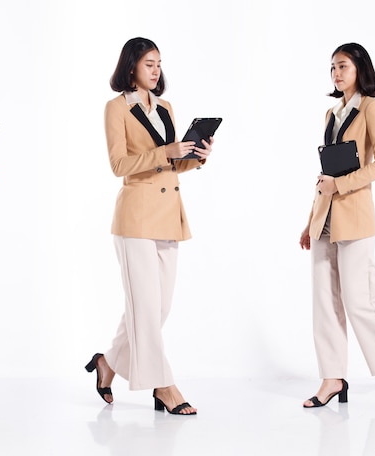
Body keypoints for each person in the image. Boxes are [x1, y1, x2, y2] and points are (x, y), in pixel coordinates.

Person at [85, 37, 213, 415]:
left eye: (159, 64)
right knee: (145, 307)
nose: (156, 71)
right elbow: (119, 165)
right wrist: (166, 152)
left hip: (169, 214)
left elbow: (172, 165)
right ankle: (164, 386)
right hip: (136, 217)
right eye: (149, 64)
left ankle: (107, 364)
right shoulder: (116, 108)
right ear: (131, 68)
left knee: (158, 309)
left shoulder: (166, 107)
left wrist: (196, 156)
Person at [299, 43, 375, 408]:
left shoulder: (372, 108)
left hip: (355, 215)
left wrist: (342, 184)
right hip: (325, 217)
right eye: (333, 68)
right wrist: (310, 220)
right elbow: (327, 172)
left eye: (343, 67)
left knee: (360, 299)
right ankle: (332, 378)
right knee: (324, 302)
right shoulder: (331, 113)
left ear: (359, 70)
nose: (337, 74)